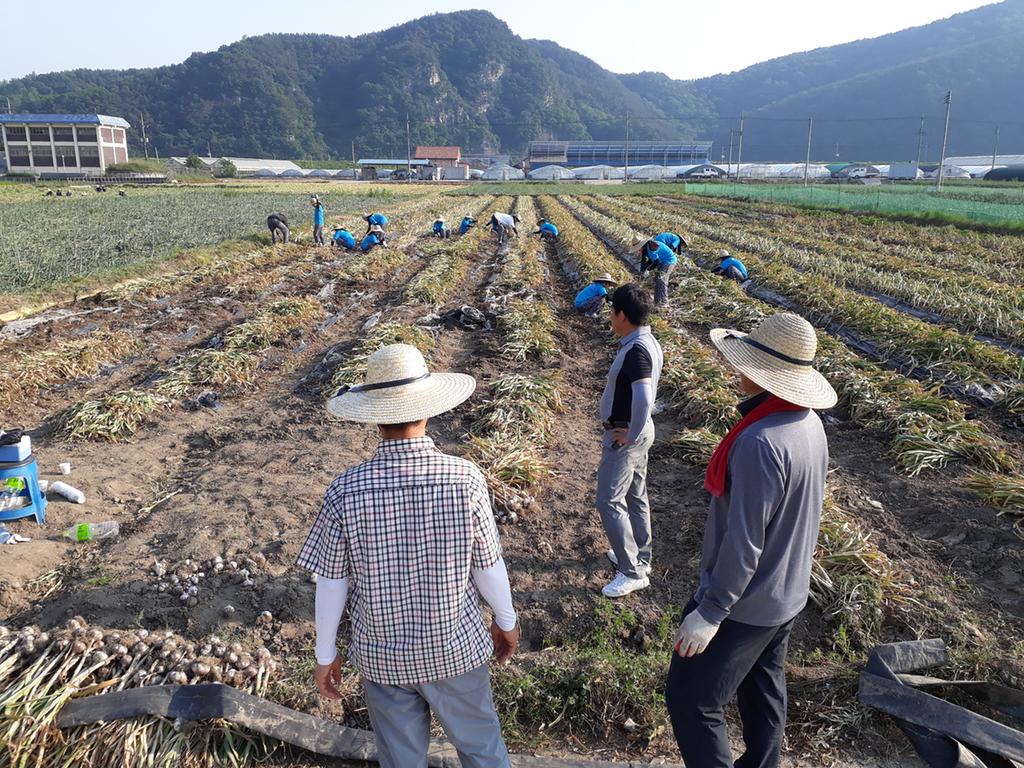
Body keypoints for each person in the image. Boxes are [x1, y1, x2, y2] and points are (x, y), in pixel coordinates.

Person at [297, 344, 519, 768]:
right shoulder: (464, 479)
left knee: (401, 760)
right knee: (482, 750)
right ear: (427, 409)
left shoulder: (346, 490)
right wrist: (506, 621)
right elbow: (488, 565)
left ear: (375, 416)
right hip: (454, 648)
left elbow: (332, 582)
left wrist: (325, 654)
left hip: (384, 658)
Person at [664, 312, 837, 768]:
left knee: (691, 700)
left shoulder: (760, 442)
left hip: (746, 603)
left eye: (747, 362)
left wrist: (711, 611)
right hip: (785, 593)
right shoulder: (807, 424)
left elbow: (745, 542)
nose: (736, 369)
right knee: (763, 690)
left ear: (764, 374)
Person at [596, 284, 663, 598]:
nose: (610, 317)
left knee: (608, 501)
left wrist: (631, 434)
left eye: (612, 311)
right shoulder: (646, 341)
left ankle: (631, 571)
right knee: (636, 494)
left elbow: (644, 396)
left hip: (627, 436)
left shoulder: (636, 351)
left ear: (622, 315)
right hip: (638, 431)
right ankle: (641, 557)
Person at [639, 238, 677, 306]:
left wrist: (648, 270)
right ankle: (657, 302)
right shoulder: (646, 249)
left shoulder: (652, 246)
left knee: (661, 279)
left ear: (642, 246)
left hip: (669, 261)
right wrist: (643, 271)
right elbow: (646, 262)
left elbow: (656, 262)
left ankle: (664, 303)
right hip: (663, 261)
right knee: (657, 280)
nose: (639, 251)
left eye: (639, 249)